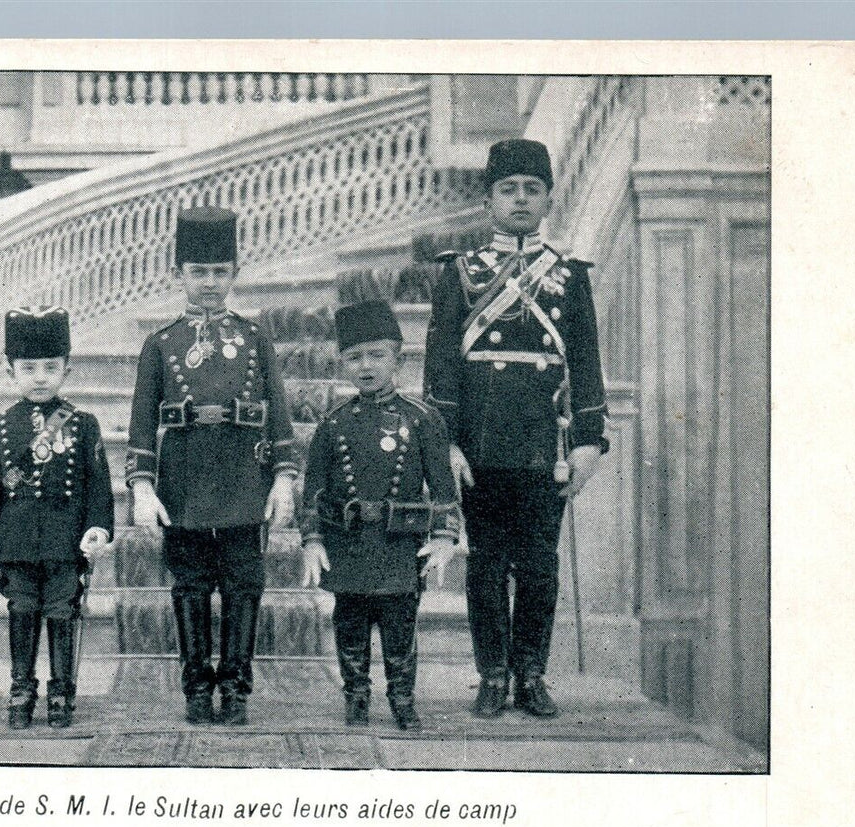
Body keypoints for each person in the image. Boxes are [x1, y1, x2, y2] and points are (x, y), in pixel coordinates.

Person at [423, 138, 609, 719]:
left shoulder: (569, 276)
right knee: (485, 565)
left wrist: (588, 442)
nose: (521, 199)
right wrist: (447, 441)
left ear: (549, 199)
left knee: (538, 567)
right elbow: (441, 364)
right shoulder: (460, 273)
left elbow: (586, 361)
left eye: (532, 189)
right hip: (480, 446)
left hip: (544, 446)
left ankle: (531, 673)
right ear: (489, 201)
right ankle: (492, 674)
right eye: (509, 189)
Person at [125, 206, 298, 727]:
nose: (209, 282)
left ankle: (236, 689)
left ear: (235, 274)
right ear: (178, 273)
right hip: (184, 483)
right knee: (190, 586)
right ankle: (197, 688)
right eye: (198, 271)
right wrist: (142, 488)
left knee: (245, 585)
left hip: (245, 479)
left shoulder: (256, 338)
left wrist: (283, 479)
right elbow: (140, 423)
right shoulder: (160, 344)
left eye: (220, 272)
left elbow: (279, 413)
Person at [299, 300, 460, 730]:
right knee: (350, 624)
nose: (366, 366)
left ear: (398, 361)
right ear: (342, 363)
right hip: (348, 545)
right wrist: (312, 540)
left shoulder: (423, 419)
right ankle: (356, 696)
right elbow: (313, 492)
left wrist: (444, 537)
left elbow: (444, 489)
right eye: (355, 357)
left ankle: (403, 699)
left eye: (377, 355)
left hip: (400, 546)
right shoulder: (332, 424)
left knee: (400, 626)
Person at [0, 307, 114, 729]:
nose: (40, 377)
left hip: (66, 542)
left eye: (51, 367)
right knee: (22, 608)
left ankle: (62, 689)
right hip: (16, 543)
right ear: (10, 370)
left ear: (67, 369)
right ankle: (21, 687)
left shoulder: (83, 424)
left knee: (63, 609)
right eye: (28, 368)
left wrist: (98, 528)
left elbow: (98, 486)